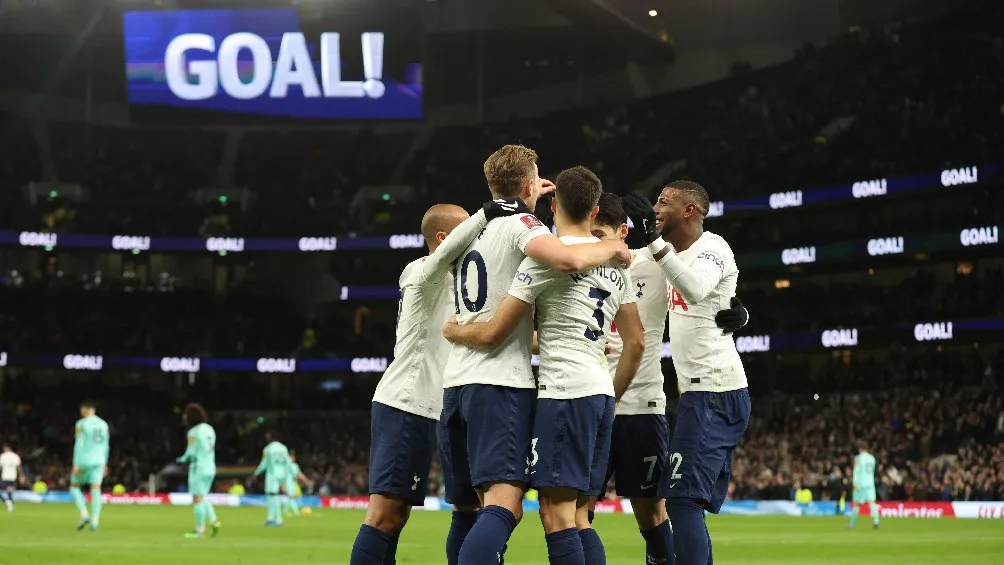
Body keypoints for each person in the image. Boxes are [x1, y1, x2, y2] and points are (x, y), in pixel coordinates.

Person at [438, 146, 632, 565]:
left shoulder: (472, 228)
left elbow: (492, 329)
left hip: (460, 382)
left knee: (477, 509)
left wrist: (454, 331)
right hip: (519, 384)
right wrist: (613, 245)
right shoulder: (532, 235)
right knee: (563, 514)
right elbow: (571, 258)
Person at [348, 198, 528, 565]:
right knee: (387, 514)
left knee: (467, 507)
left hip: (447, 405)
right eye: (472, 231)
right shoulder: (419, 271)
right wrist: (487, 212)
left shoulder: (465, 279)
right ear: (445, 237)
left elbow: (491, 329)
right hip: (408, 402)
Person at [590, 192, 749, 565]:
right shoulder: (573, 263)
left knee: (657, 511)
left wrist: (738, 312)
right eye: (592, 233)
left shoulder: (652, 261)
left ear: (622, 232)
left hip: (645, 406)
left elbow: (701, 287)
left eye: (604, 233)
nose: (599, 242)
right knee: (574, 512)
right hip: (591, 400)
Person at [177, 403, 221, 538]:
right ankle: (213, 520)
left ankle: (199, 529)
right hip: (210, 466)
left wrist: (181, 460)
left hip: (198, 467)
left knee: (197, 498)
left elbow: (190, 452)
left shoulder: (193, 432)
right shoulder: (210, 429)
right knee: (201, 497)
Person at [253, 435, 292, 526]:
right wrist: (287, 476)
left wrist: (256, 473)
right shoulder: (284, 448)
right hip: (282, 473)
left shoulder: (268, 449)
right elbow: (288, 462)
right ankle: (270, 518)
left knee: (273, 496)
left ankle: (278, 519)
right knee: (271, 496)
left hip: (272, 474)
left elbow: (264, 463)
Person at [849, 442, 880, 529]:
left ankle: (852, 523)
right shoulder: (872, 458)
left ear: (860, 449)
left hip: (860, 483)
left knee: (856, 504)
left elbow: (856, 471)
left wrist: (854, 482)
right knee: (872, 503)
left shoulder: (858, 458)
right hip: (870, 483)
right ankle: (876, 521)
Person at [283, 451, 313, 517]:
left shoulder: (295, 465)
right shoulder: (286, 466)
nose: (292, 458)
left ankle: (285, 511)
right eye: (291, 457)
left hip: (294, 483)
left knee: (290, 497)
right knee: (291, 497)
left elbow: (299, 474)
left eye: (293, 457)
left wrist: (307, 481)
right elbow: (283, 475)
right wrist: (283, 484)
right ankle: (296, 512)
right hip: (288, 483)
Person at [0, 443, 23, 512]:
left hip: (5, 476)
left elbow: (0, 467)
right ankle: (10, 504)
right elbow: (18, 467)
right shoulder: (16, 456)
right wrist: (21, 475)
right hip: (13, 476)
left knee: (8, 490)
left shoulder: (3, 456)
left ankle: (8, 503)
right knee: (9, 490)